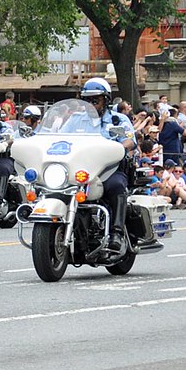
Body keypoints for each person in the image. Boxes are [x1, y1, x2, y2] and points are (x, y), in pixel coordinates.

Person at [80, 78, 135, 254]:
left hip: (109, 169)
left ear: (106, 99)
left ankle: (117, 232)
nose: (91, 103)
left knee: (116, 185)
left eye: (95, 100)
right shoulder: (75, 120)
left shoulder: (118, 120)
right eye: (87, 100)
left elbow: (129, 140)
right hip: (80, 168)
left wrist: (120, 146)